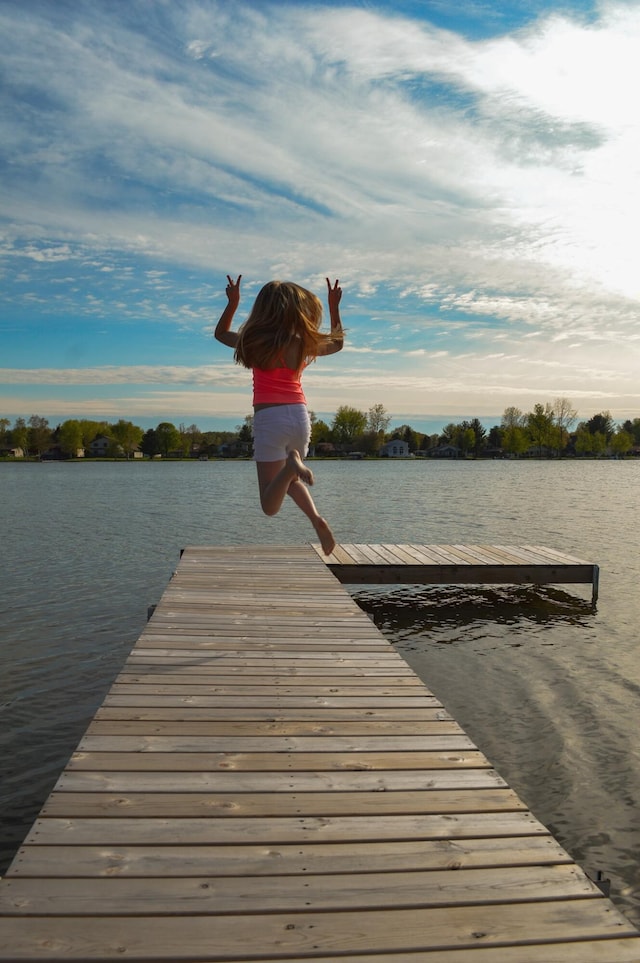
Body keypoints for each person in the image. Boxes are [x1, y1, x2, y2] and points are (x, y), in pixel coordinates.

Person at [215, 275, 344, 554]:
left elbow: (221, 334)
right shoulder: (302, 342)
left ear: (263, 309)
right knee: (289, 482)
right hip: (299, 418)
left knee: (269, 505)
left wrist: (233, 303)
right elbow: (336, 343)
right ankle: (316, 519)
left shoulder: (253, 341)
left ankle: (290, 464)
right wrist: (334, 307)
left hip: (269, 419)